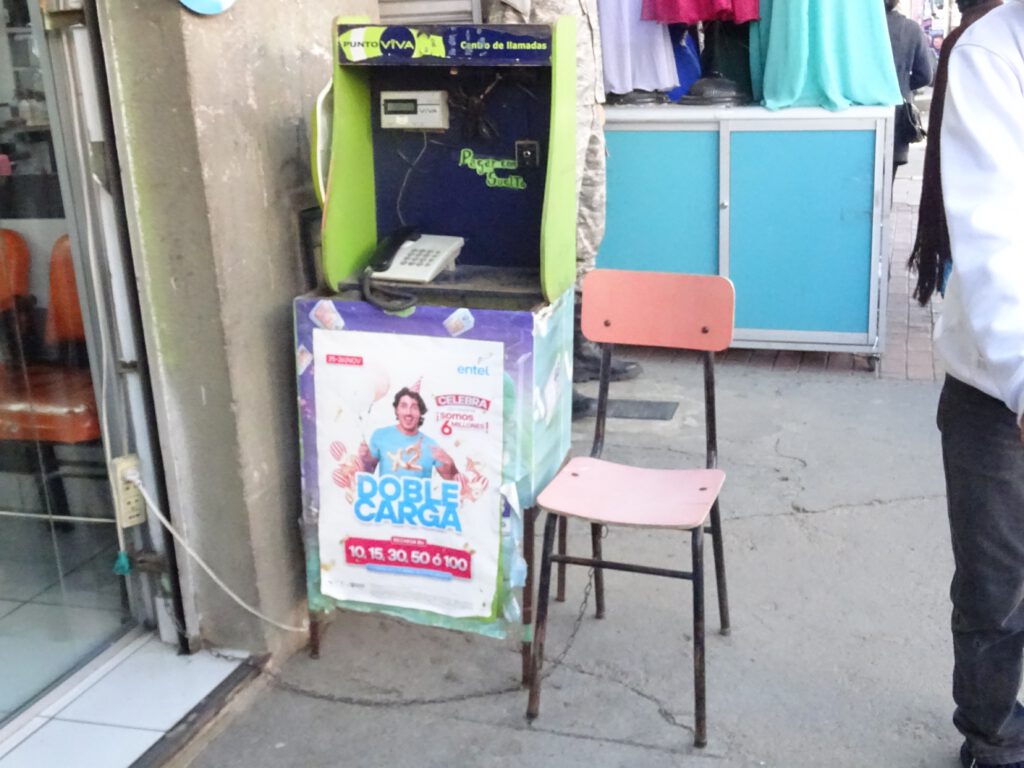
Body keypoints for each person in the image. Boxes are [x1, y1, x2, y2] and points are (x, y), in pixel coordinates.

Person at [933, 1, 1024, 765]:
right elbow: (994, 240)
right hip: (999, 391)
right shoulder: (993, 54)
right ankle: (991, 732)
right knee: (996, 588)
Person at [484, 0, 641, 416]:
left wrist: (598, 107)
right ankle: (550, 371)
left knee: (586, 231)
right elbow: (505, 47)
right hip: (546, 122)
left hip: (585, 115)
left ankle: (579, 346)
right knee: (548, 242)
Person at [358, 387, 459, 480]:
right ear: (396, 410)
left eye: (414, 407)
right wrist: (365, 459)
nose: (408, 413)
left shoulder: (430, 445)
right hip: (387, 498)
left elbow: (456, 482)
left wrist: (451, 465)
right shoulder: (380, 435)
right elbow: (367, 475)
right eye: (403, 406)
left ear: (420, 412)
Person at [884, 0, 934, 181]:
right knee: (886, 185)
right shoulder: (911, 29)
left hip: (860, 113)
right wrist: (903, 84)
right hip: (899, 117)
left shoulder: (858, 28)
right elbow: (925, 75)